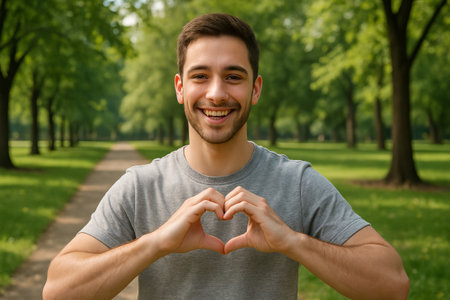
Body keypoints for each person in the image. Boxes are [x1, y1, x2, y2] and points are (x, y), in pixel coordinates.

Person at [43, 13, 409, 300]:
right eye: (200, 76)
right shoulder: (140, 186)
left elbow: (393, 284)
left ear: (255, 89)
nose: (216, 93)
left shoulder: (297, 182)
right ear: (180, 87)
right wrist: (156, 242)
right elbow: (58, 291)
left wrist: (292, 241)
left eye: (233, 76)